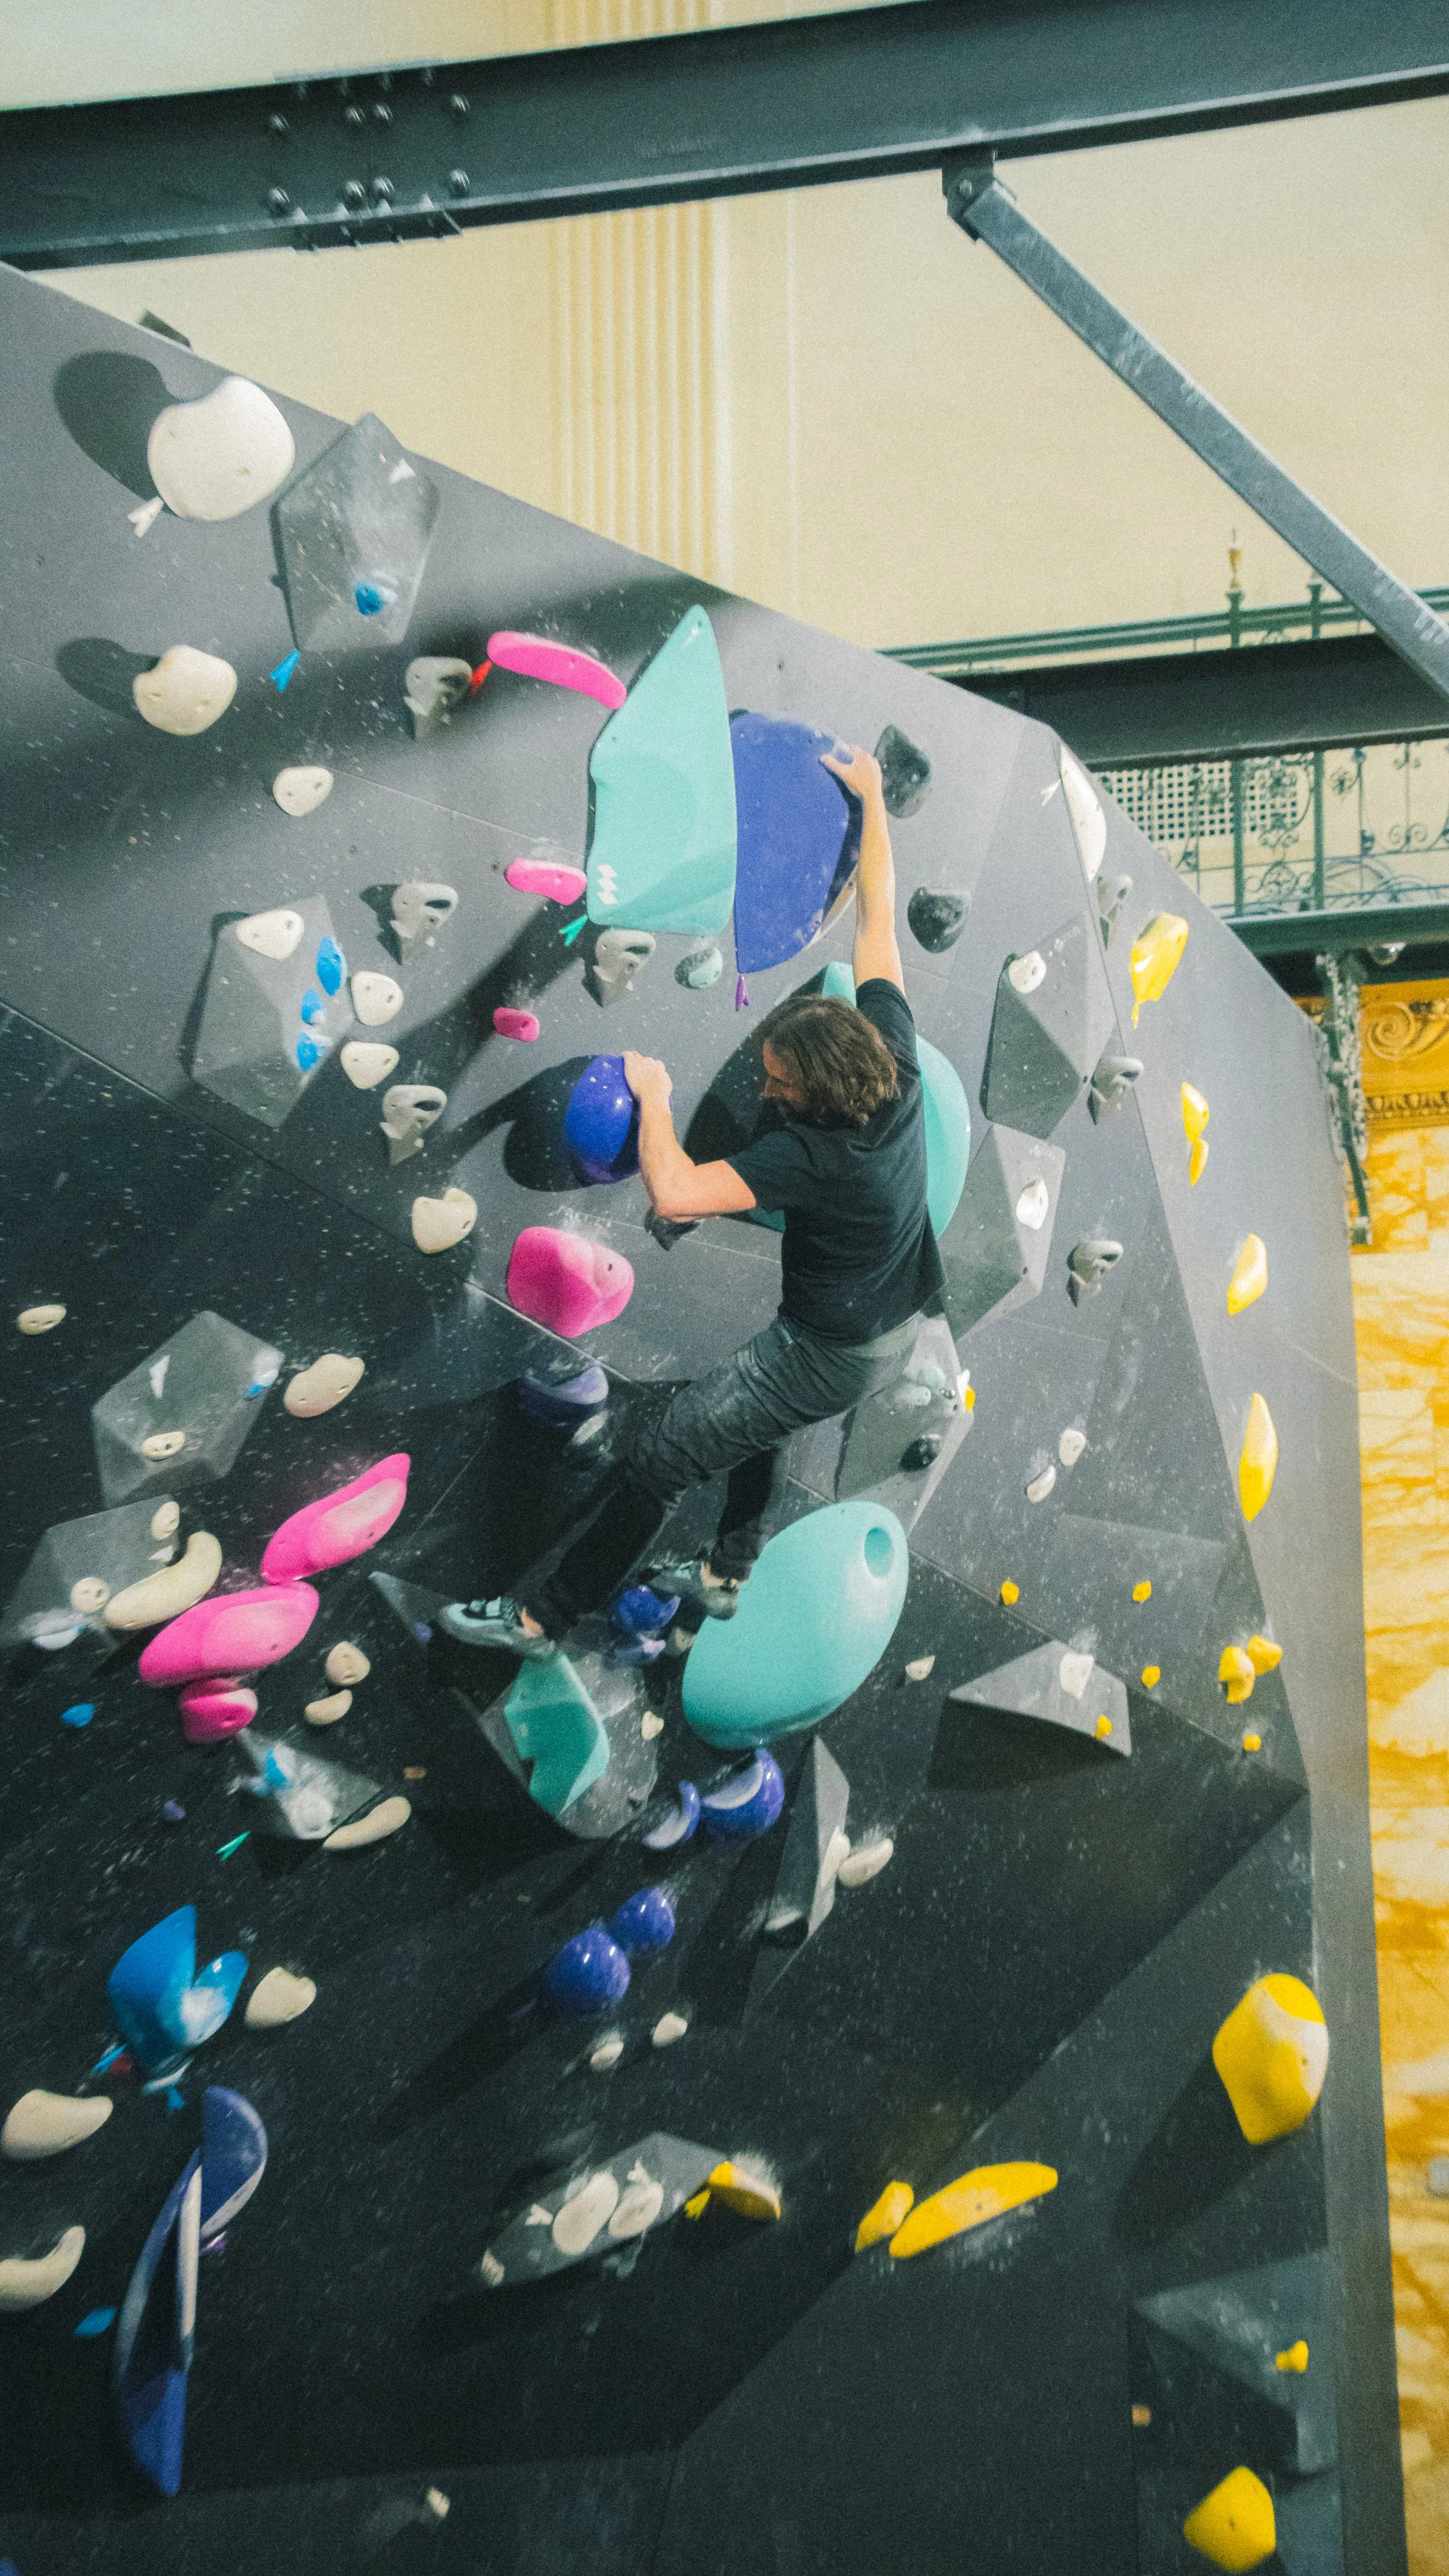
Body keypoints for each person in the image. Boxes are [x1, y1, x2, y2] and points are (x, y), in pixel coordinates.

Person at [441, 741, 944, 1658]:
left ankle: (540, 1619)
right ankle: (727, 1572)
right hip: (891, 1321)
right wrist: (871, 800)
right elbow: (879, 921)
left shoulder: (815, 1153)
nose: (772, 1089)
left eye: (783, 1083)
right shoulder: (895, 1058)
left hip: (831, 1349)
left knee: (663, 1457)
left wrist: (657, 1090)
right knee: (761, 1415)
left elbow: (676, 1189)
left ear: (818, 1097)